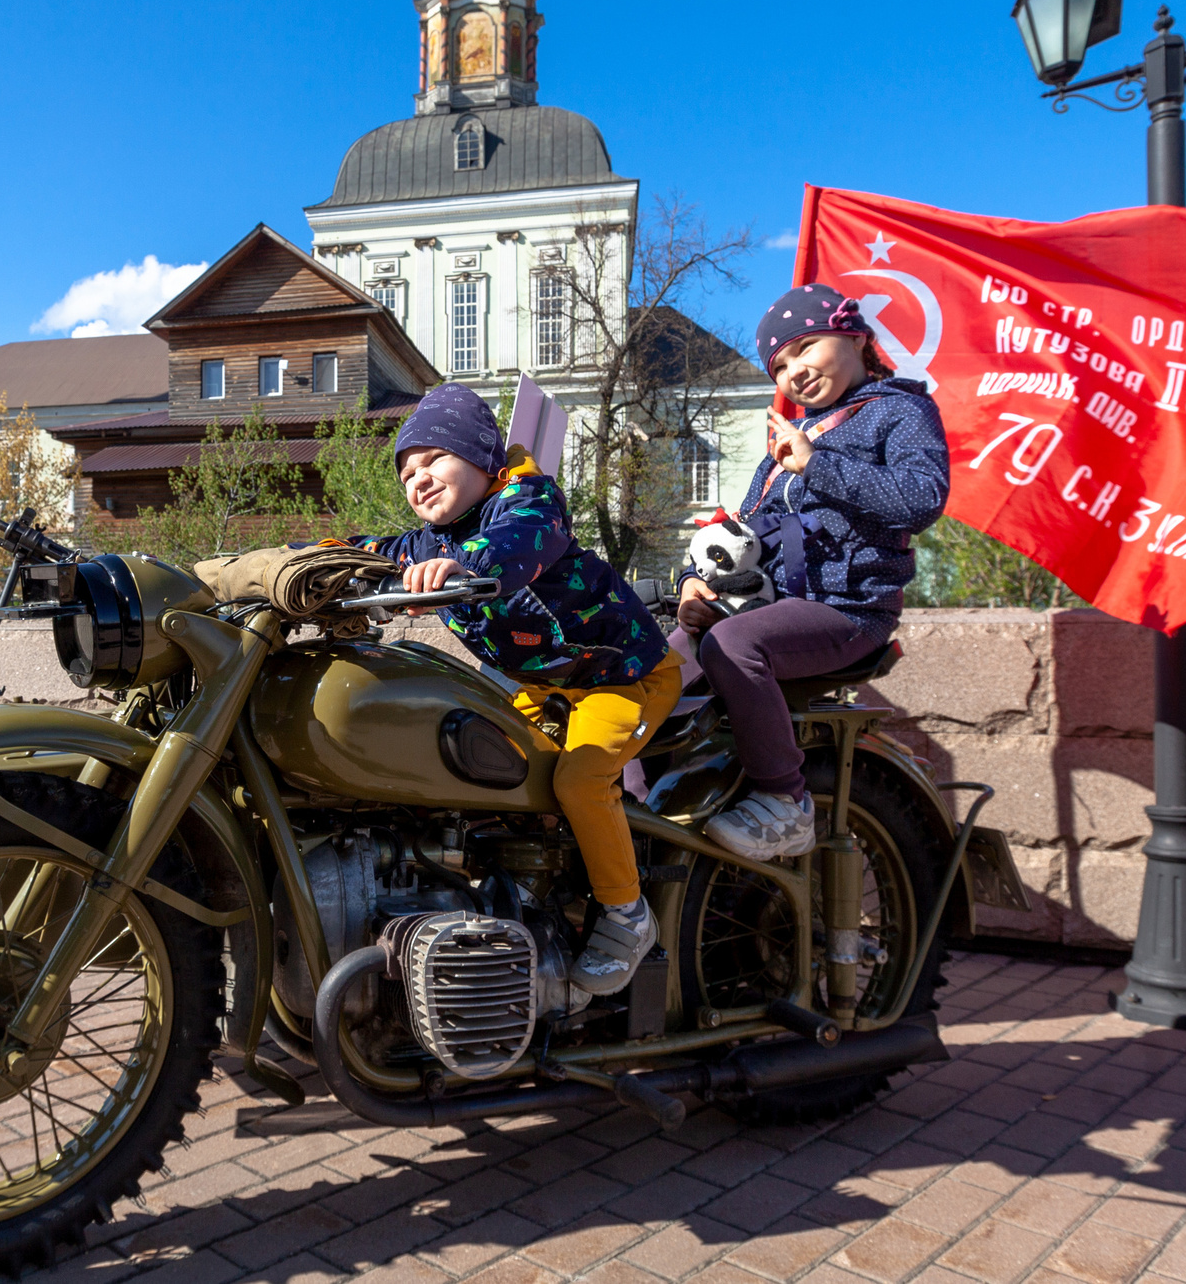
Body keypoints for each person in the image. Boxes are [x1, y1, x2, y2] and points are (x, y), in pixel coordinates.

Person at [338, 383, 682, 996]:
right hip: (544, 686)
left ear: (482, 460)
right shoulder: (428, 543)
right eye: (406, 473)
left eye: (433, 459)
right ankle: (525, 890)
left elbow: (522, 541)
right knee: (490, 767)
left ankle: (628, 913)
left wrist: (469, 566)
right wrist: (286, 563)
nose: (417, 479)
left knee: (580, 779)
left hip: (622, 676)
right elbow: (371, 552)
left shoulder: (527, 500)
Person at [678, 285, 950, 863]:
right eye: (780, 365)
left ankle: (785, 802)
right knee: (644, 665)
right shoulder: (786, 443)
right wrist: (690, 582)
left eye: (806, 348)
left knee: (732, 642)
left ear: (854, 335)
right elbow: (738, 530)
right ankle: (640, 814)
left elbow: (922, 499)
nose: (794, 371)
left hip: (848, 609)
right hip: (766, 605)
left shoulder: (900, 410)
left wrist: (816, 464)